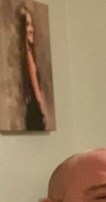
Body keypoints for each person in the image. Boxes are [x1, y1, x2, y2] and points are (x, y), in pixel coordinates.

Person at [18, 3, 48, 131]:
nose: (31, 29)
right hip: (34, 110)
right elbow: (35, 85)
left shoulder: (30, 53)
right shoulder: (27, 55)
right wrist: (42, 107)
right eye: (28, 25)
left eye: (31, 25)